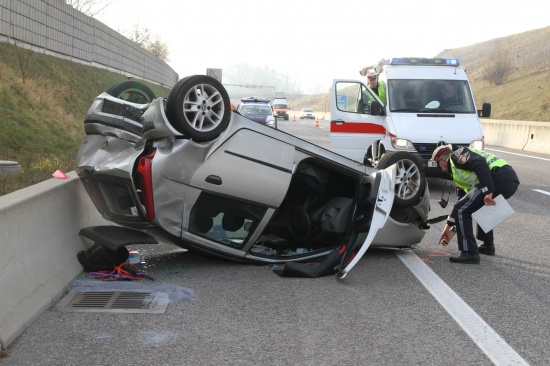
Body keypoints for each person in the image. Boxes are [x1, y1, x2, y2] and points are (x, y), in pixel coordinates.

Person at [431, 144, 520, 263]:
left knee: (462, 210)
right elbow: (462, 201)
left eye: (438, 166)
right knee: (472, 206)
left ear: (442, 160)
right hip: (509, 179)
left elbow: (480, 163)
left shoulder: (456, 156)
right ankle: (487, 246)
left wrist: (488, 190)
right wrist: (448, 228)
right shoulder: (459, 171)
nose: (441, 169)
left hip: (498, 177)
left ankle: (469, 253)